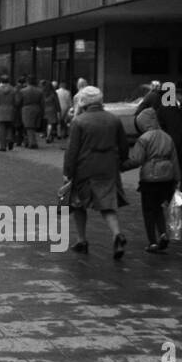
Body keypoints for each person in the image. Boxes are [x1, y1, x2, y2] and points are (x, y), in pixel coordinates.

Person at [62, 86, 129, 258]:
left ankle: (82, 240)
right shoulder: (114, 119)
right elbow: (123, 145)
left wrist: (68, 172)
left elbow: (72, 150)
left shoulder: (79, 121)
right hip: (108, 168)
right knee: (107, 203)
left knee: (78, 203)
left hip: (85, 168)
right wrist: (120, 162)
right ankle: (117, 234)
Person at [121, 108, 180, 254]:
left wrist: (121, 166)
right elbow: (175, 160)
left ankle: (152, 242)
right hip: (167, 178)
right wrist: (176, 180)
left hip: (150, 179)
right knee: (159, 208)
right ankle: (163, 233)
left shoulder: (144, 138)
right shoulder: (167, 137)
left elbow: (137, 160)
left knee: (148, 210)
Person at [0, 75, 17, 152]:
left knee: (2, 129)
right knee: (10, 127)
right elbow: (16, 101)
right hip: (11, 110)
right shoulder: (13, 90)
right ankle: (10, 139)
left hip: (1, 111)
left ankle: (2, 146)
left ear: (1, 81)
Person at [20, 76, 44, 149]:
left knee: (29, 126)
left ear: (27, 81)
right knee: (33, 127)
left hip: (26, 108)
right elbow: (42, 102)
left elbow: (19, 101)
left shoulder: (23, 91)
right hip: (37, 108)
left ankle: (32, 143)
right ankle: (31, 141)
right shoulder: (40, 91)